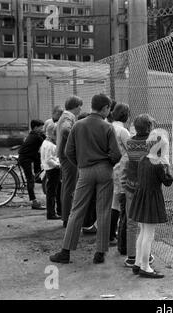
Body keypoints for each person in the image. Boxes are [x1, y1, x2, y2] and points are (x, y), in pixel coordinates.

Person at [49, 93, 121, 264]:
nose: (108, 112)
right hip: (104, 171)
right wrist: (108, 163)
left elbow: (68, 152)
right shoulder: (107, 127)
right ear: (104, 108)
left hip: (85, 171)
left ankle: (65, 252)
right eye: (108, 109)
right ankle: (100, 253)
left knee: (77, 210)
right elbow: (116, 154)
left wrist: (80, 164)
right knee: (103, 211)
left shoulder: (78, 125)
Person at [129, 131, 173, 278]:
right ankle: (145, 266)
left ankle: (137, 263)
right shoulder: (159, 165)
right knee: (149, 234)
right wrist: (166, 164)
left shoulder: (143, 159)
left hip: (141, 197)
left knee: (142, 232)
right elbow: (168, 181)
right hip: (152, 199)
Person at [119, 114, 155, 267]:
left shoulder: (131, 143)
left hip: (131, 185)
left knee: (132, 221)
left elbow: (127, 164)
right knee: (146, 225)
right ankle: (145, 256)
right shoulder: (153, 143)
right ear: (149, 127)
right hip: (147, 187)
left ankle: (132, 256)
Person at [56, 96, 83, 228]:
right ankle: (67, 217)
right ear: (75, 106)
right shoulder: (68, 116)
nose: (81, 109)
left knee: (66, 185)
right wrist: (76, 139)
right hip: (68, 156)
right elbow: (66, 130)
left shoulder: (64, 116)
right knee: (69, 186)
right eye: (80, 106)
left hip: (64, 155)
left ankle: (65, 215)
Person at [109, 103, 131, 246]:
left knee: (112, 201)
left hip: (109, 167)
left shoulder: (108, 127)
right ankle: (112, 235)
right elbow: (131, 150)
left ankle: (109, 233)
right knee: (118, 202)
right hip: (120, 169)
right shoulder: (123, 131)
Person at [18, 119, 46, 210]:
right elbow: (46, 143)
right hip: (26, 159)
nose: (42, 129)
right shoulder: (36, 137)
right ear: (35, 128)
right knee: (30, 179)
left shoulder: (33, 134)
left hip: (28, 156)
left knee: (38, 157)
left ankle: (37, 175)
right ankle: (34, 202)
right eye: (41, 128)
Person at [40, 122, 61, 220]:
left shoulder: (46, 142)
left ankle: (53, 212)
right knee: (52, 192)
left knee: (52, 191)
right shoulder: (49, 145)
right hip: (52, 170)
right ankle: (51, 213)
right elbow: (49, 159)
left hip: (49, 169)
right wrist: (57, 165)